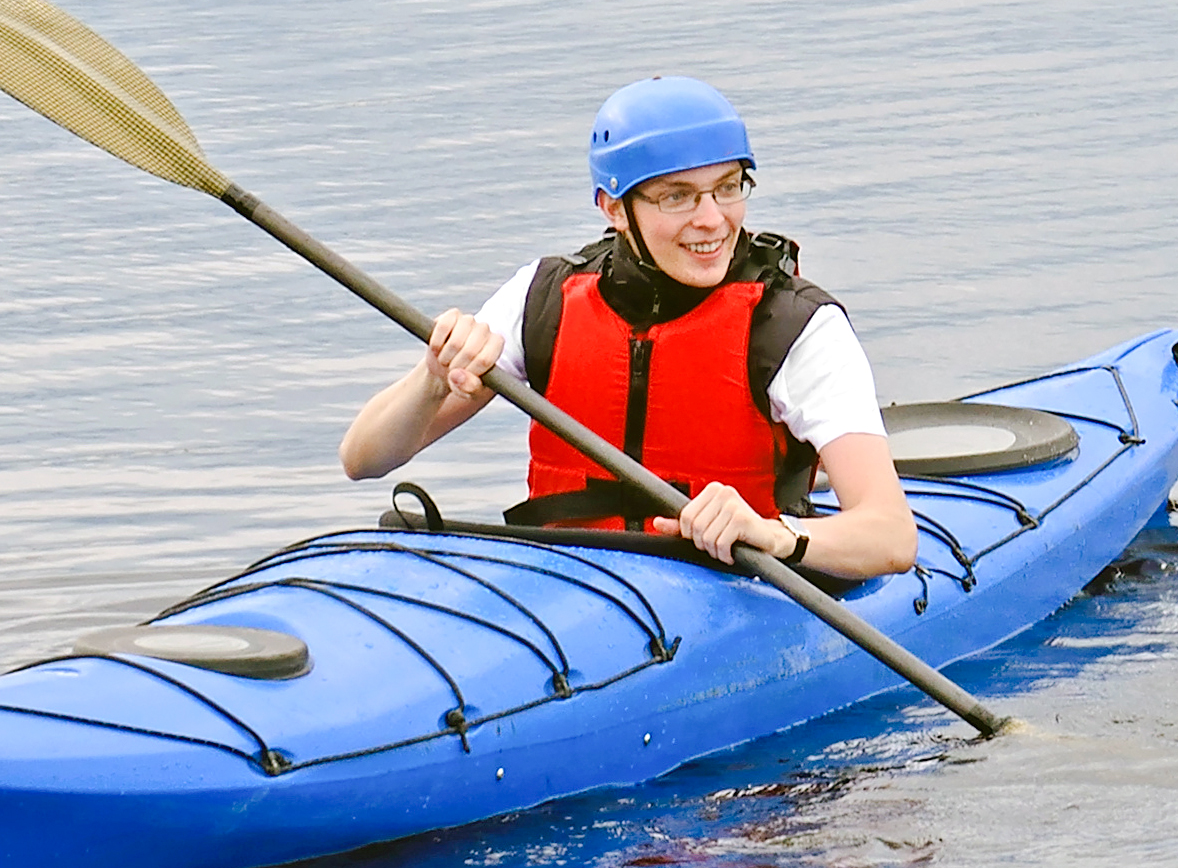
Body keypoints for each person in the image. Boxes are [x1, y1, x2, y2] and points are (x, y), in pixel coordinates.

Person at [338, 76, 920, 585]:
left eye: (728, 186)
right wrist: (432, 378)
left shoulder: (794, 327)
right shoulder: (544, 300)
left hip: (738, 585)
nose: (712, 219)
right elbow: (364, 459)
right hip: (567, 579)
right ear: (613, 208)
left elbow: (891, 537)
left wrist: (775, 535)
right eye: (677, 196)